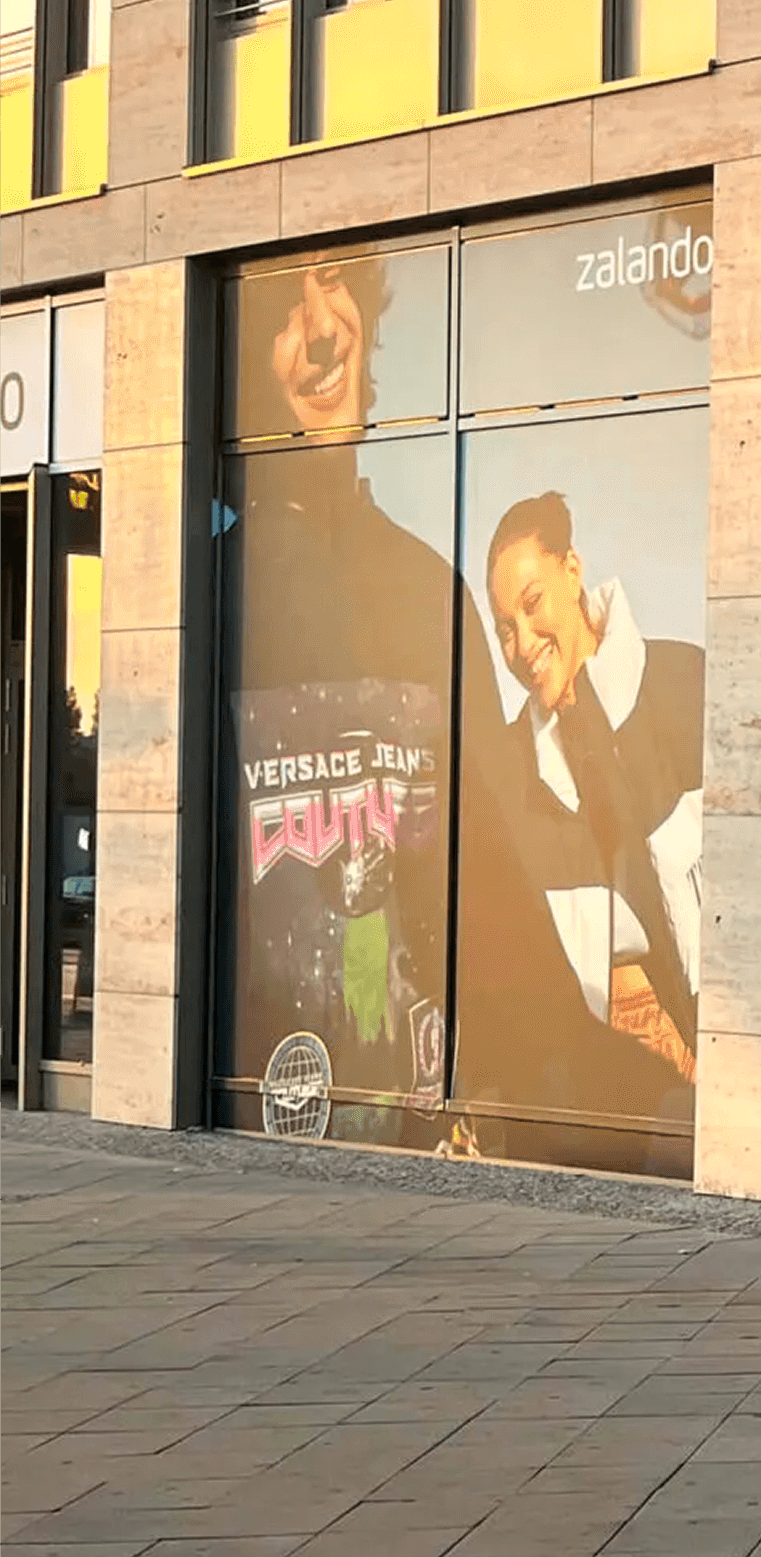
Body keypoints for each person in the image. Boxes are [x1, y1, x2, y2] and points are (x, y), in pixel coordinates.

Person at [228, 257, 486, 1144]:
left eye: (336, 285)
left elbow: (490, 875)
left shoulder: (432, 591)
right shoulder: (216, 592)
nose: (323, 331)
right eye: (283, 314)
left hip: (419, 1109)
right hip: (255, 1101)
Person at [474, 494, 709, 1117]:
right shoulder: (505, 774)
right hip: (600, 1107)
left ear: (572, 570)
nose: (522, 644)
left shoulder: (687, 685)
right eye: (504, 629)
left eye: (531, 606)